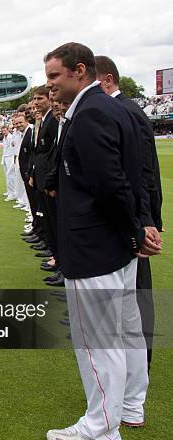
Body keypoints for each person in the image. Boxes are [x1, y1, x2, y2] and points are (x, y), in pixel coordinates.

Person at [43, 42, 161, 440]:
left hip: (96, 247)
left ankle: (101, 429)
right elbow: (137, 177)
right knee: (126, 331)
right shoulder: (114, 108)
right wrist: (140, 227)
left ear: (80, 71)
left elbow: (113, 183)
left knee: (99, 340)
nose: (49, 84)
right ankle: (130, 406)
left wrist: (135, 226)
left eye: (55, 75)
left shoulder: (92, 113)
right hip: (117, 246)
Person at [95, 55, 163, 372]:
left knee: (137, 293)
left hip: (137, 216)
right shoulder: (118, 110)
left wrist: (147, 220)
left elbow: (144, 171)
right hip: (133, 214)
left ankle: (142, 359)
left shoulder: (126, 111)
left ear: (106, 80)